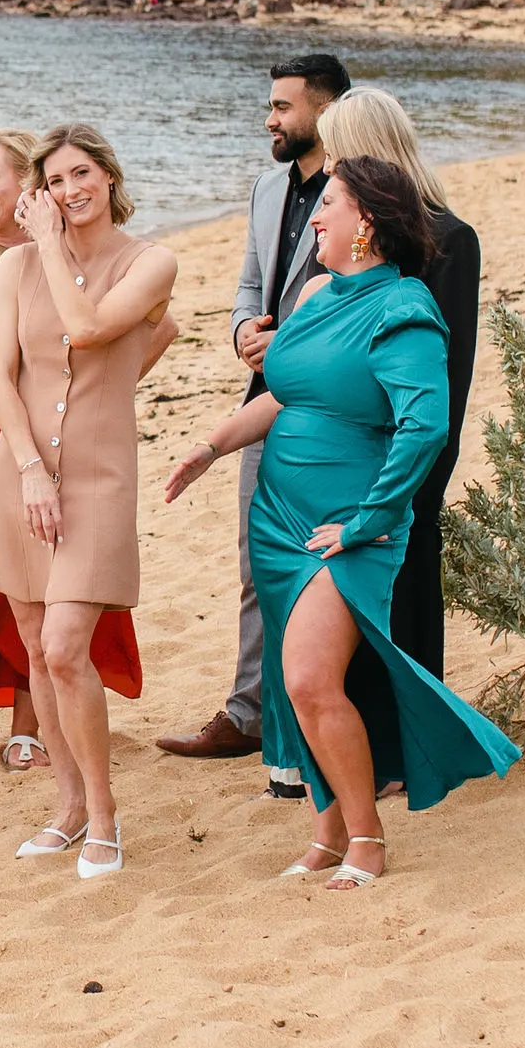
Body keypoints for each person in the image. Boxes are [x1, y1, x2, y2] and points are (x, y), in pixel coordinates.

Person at [163, 154, 518, 887]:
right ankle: (326, 836)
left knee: (311, 678)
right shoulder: (321, 294)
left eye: (330, 205)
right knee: (299, 694)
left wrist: (369, 519)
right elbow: (288, 394)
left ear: (368, 224)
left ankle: (367, 840)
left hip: (349, 525)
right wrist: (211, 445)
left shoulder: (406, 311)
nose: (315, 217)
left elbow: (424, 429)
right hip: (279, 518)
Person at [0, 126, 178, 877]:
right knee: (34, 649)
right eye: (53, 181)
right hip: (20, 475)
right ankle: (68, 807)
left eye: (81, 173)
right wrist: (27, 467)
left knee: (64, 648)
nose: (69, 191)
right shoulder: (15, 267)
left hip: (99, 480)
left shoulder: (151, 261)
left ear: (109, 176)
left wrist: (107, 394)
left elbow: (90, 330)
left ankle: (106, 815)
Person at [0, 130, 149, 770]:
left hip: (47, 441)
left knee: (42, 592)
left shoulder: (73, 262)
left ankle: (28, 724)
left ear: (25, 187)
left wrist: (102, 395)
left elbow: (146, 331)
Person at [159, 49, 350, 794]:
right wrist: (243, 331)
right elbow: (248, 285)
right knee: (253, 561)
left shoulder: (357, 191)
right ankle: (247, 713)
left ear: (326, 112)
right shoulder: (269, 188)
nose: (269, 119)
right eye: (269, 105)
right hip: (261, 401)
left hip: (329, 410)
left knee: (320, 567)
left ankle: (314, 721)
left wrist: (292, 343)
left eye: (282, 107)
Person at [310, 87, 482, 677]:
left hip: (407, 454)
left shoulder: (450, 240)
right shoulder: (341, 226)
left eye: (335, 153)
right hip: (344, 447)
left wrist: (419, 481)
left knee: (404, 600)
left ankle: (410, 754)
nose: (327, 167)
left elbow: (450, 379)